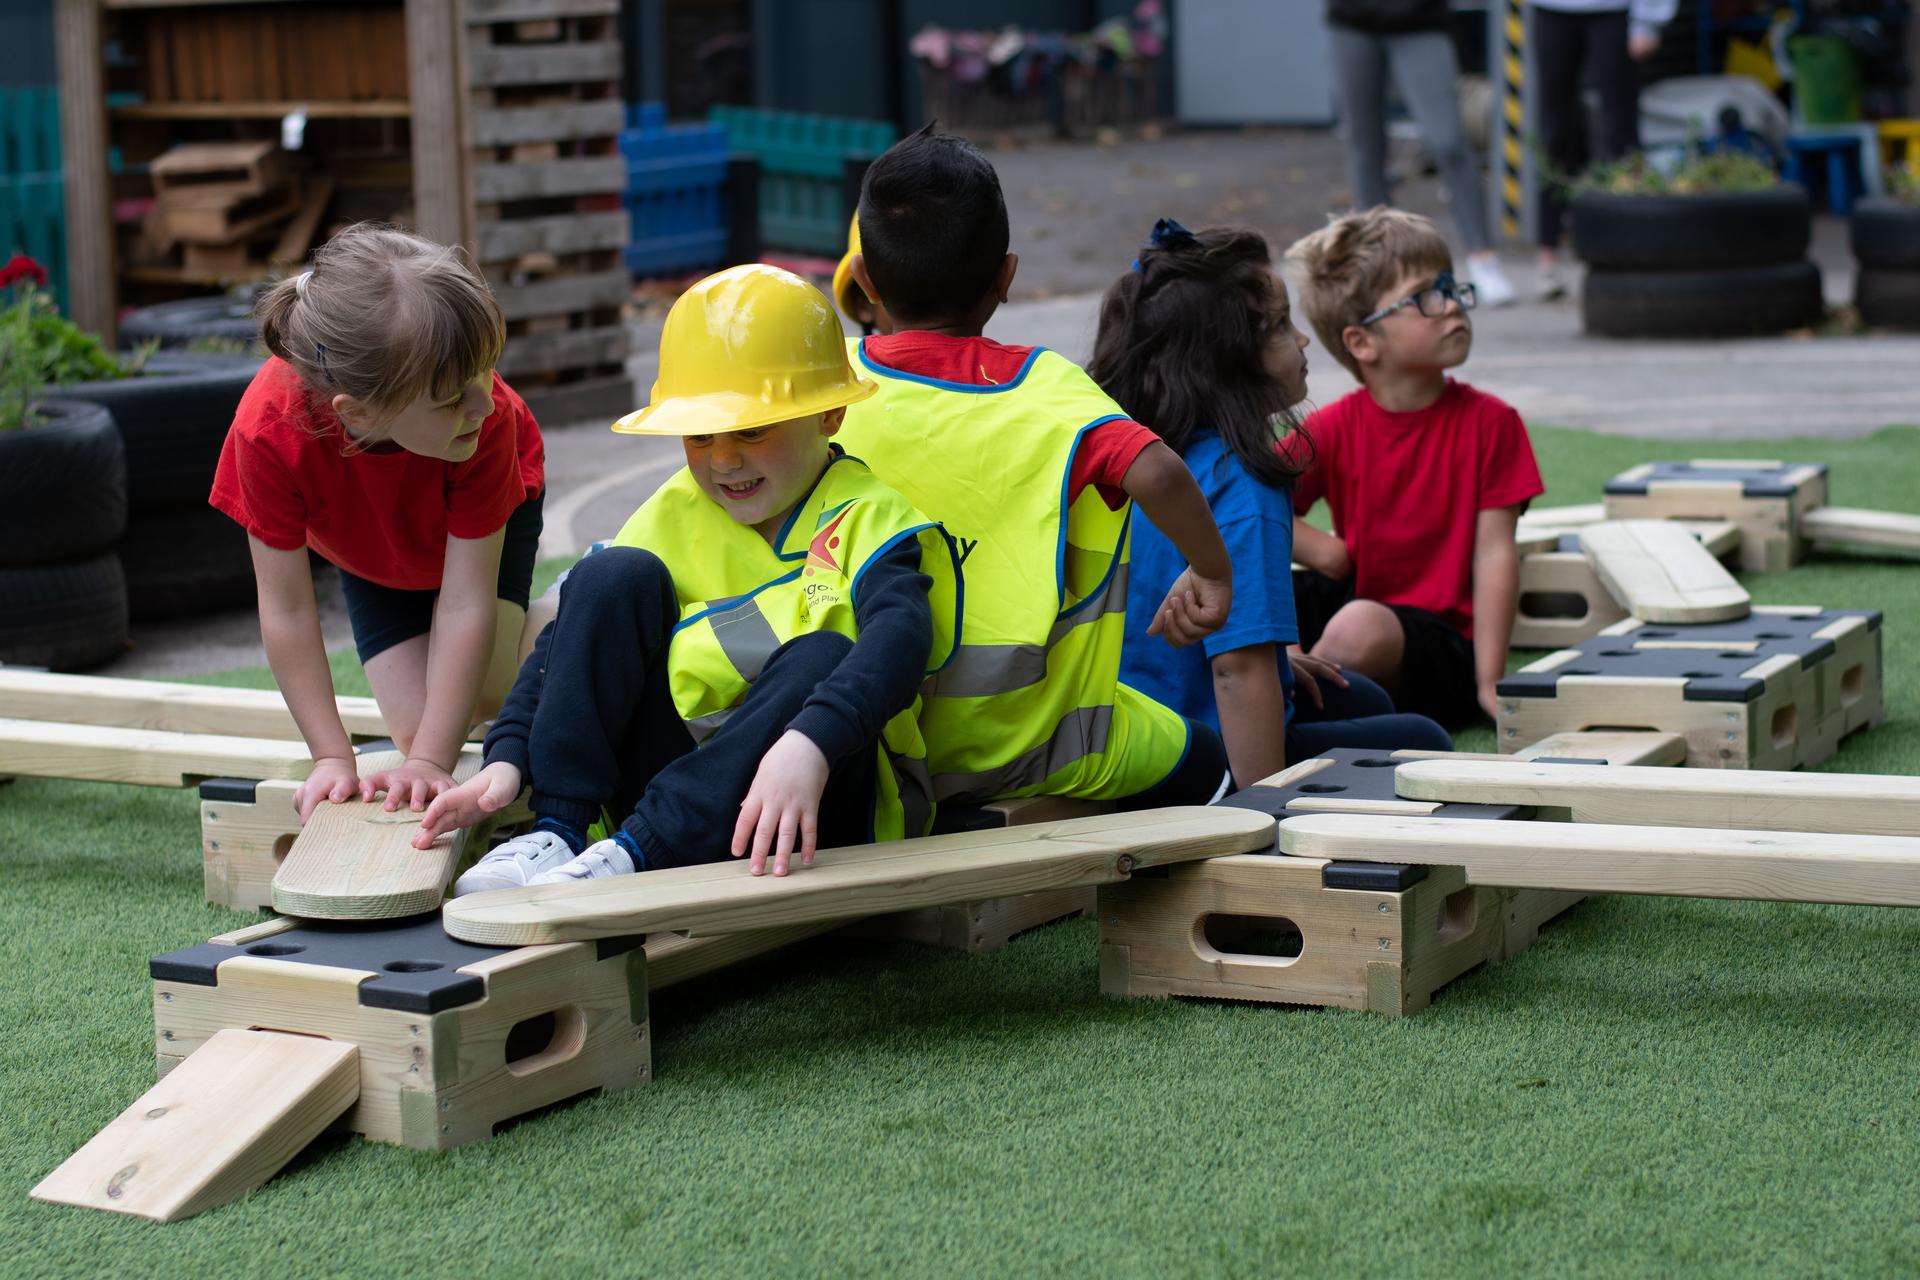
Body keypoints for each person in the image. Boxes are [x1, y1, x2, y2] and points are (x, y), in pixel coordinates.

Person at [420, 264, 959, 890]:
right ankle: (558, 833)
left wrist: (810, 741)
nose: (724, 460)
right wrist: (509, 757)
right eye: (699, 436)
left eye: (752, 430)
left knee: (825, 653)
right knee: (606, 576)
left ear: (830, 415)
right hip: (666, 799)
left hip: (810, 803)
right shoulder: (676, 508)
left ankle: (635, 852)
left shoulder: (869, 516)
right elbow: (566, 641)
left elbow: (901, 640)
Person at [834, 124, 1235, 808]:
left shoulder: (827, 384)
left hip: (858, 734)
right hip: (1035, 746)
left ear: (865, 280)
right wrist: (1212, 572)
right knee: (1208, 761)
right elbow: (1160, 473)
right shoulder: (1045, 387)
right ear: (1006, 277)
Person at [1091, 220, 1453, 788]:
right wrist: (1263, 818)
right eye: (1282, 327)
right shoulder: (1243, 484)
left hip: (1118, 731)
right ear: (1230, 360)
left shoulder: (1128, 452)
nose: (1303, 341)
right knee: (1426, 743)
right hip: (1195, 761)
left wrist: (1283, 664)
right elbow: (1237, 672)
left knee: (1358, 694)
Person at [209, 223, 544, 823]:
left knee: (484, 701)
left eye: (486, 373)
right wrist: (331, 756)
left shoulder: (487, 424)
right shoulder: (266, 433)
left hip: (485, 525)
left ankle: (561, 619)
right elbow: (286, 609)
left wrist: (433, 764)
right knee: (419, 726)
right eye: (451, 399)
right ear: (359, 412)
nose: (484, 402)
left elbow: (466, 600)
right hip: (371, 551)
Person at [1283, 208, 1542, 729]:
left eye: (1448, 285)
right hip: (1361, 601)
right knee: (1257, 594)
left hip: (1442, 644)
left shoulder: (1493, 422)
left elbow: (1495, 554)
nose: (1451, 305)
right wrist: (1326, 552)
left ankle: (1289, 716)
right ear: (1362, 342)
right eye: (1424, 296)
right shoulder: (1333, 427)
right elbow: (1244, 503)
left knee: (1359, 626)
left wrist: (1489, 683)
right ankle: (1277, 691)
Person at [1324, 0, 1517, 306]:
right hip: (1353, 20)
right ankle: (1382, 263)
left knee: (1448, 141)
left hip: (1421, 20)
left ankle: (1483, 258)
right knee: (1365, 145)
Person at [1531, 0, 1676, 295]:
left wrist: (1649, 18)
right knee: (1556, 134)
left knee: (1620, 135)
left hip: (1615, 11)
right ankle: (1547, 256)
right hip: (1551, 10)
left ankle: (1634, 249)